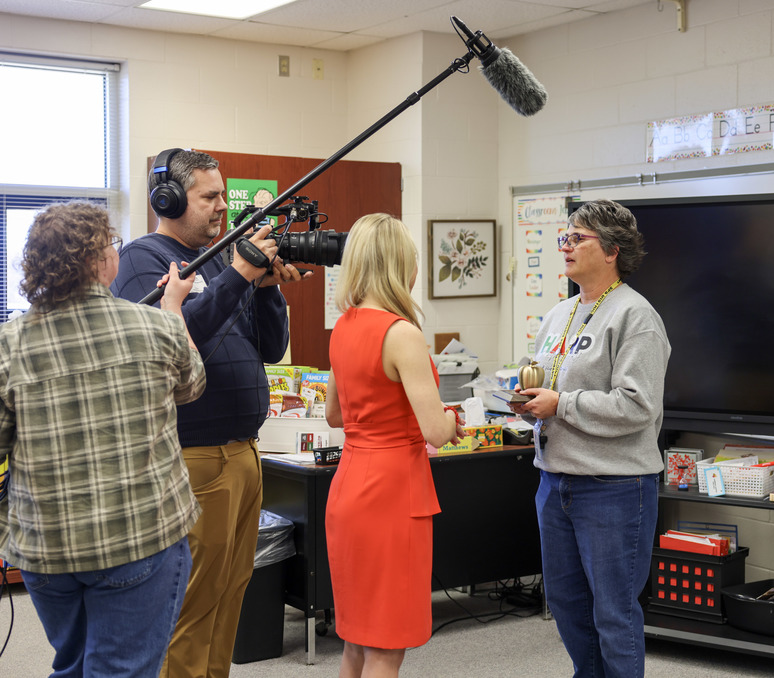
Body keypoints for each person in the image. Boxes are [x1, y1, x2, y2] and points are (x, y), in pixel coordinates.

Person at [111, 148, 309, 678]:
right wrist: (239, 274)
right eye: (209, 197)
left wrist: (264, 290)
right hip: (194, 458)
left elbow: (270, 348)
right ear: (169, 199)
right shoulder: (142, 260)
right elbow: (170, 342)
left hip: (244, 456)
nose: (222, 206)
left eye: (223, 195)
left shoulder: (221, 259)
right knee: (191, 604)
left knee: (230, 596)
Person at [0, 201, 206, 677]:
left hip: (46, 550)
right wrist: (173, 308)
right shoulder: (156, 327)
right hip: (139, 539)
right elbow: (192, 385)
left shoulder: (8, 346)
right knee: (120, 669)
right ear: (99, 261)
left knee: (73, 663)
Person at [509, 199, 670, 678]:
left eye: (578, 238)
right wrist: (528, 401)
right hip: (555, 481)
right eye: (565, 237)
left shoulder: (636, 316)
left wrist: (560, 404)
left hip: (614, 487)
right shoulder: (559, 314)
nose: (566, 246)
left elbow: (638, 406)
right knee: (567, 605)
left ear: (612, 250)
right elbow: (550, 383)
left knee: (613, 614)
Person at [324, 213, 465, 678]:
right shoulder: (401, 333)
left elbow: (335, 416)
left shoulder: (344, 326)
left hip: (349, 487)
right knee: (386, 648)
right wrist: (452, 419)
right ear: (401, 265)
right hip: (392, 494)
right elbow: (436, 432)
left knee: (356, 641)